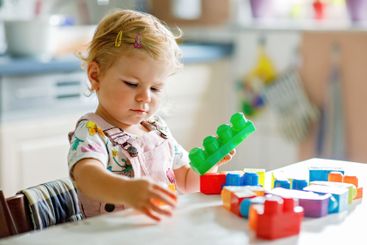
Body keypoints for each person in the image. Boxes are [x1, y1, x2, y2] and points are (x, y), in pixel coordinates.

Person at [67, 9, 235, 222]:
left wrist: (210, 163)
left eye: (155, 88)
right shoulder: (92, 130)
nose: (144, 97)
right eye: (132, 84)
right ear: (95, 75)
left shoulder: (157, 129)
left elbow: (184, 181)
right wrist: (126, 190)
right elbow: (87, 177)